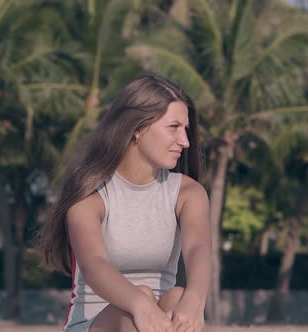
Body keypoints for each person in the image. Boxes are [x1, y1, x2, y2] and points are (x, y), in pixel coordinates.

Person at [36, 73, 212, 332]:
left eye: (185, 130)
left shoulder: (189, 193)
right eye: (174, 127)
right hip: (96, 323)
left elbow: (198, 248)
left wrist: (195, 300)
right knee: (132, 311)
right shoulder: (89, 197)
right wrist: (140, 304)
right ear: (138, 128)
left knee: (177, 297)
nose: (185, 142)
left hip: (160, 321)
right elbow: (95, 265)